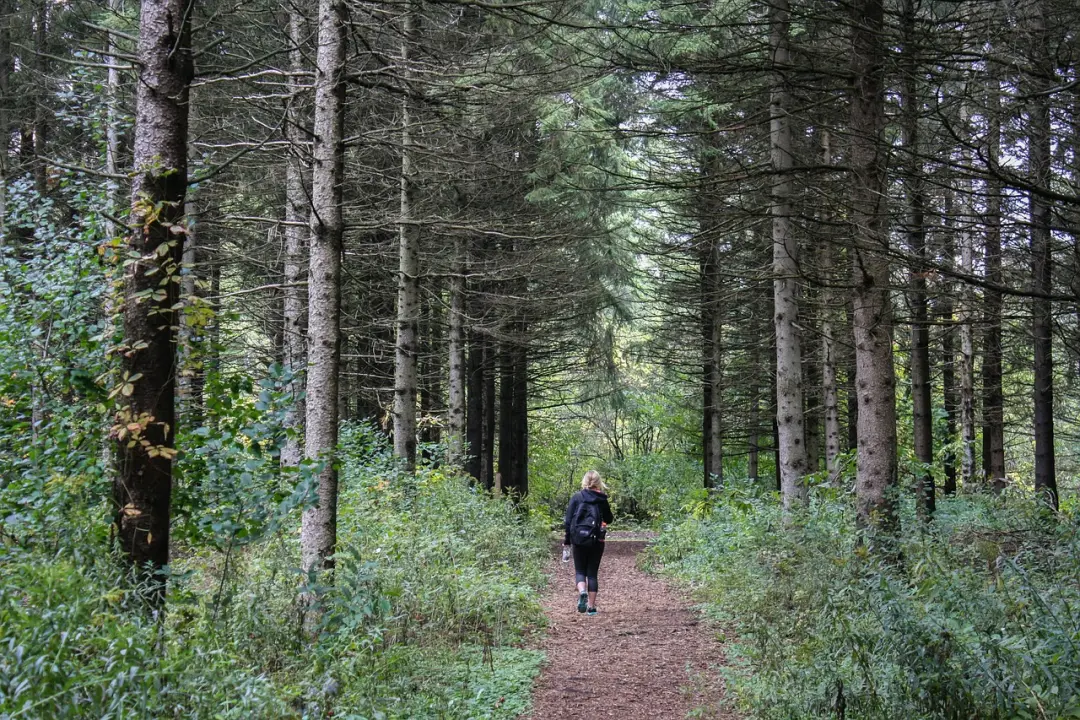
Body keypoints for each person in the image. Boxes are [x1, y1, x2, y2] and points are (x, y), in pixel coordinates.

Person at [563, 470, 614, 616]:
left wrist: (567, 541)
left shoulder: (577, 497)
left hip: (578, 539)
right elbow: (609, 519)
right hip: (597, 539)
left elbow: (568, 521)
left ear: (585, 481)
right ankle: (591, 608)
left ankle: (582, 591)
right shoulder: (602, 499)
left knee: (580, 571)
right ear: (599, 482)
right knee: (592, 573)